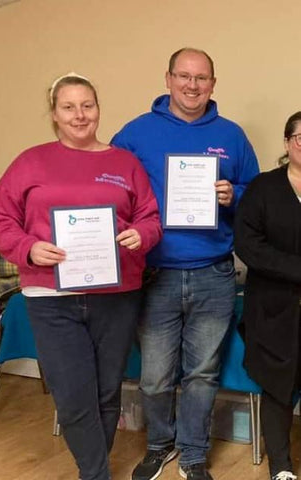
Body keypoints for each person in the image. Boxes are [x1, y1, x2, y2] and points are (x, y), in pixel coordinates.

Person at [0, 72, 162, 480]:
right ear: (54, 114)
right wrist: (27, 247)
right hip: (50, 295)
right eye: (69, 107)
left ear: (98, 108)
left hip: (116, 294)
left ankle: (92, 472)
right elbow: (1, 216)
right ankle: (96, 473)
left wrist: (142, 234)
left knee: (106, 390)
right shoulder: (30, 161)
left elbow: (149, 217)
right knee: (71, 394)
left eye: (88, 105)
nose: (80, 115)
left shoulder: (124, 162)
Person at [111, 47, 259, 480]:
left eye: (202, 78)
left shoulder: (231, 135)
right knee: (155, 377)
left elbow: (255, 192)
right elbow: (114, 192)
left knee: (201, 373)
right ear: (168, 79)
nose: (192, 85)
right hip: (156, 273)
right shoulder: (135, 133)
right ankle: (159, 445)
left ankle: (193, 453)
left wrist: (236, 194)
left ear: (213, 83)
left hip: (214, 273)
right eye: (184, 76)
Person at [235, 112, 301, 480]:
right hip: (273, 308)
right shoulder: (263, 188)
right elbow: (247, 243)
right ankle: (281, 467)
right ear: (287, 141)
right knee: (278, 386)